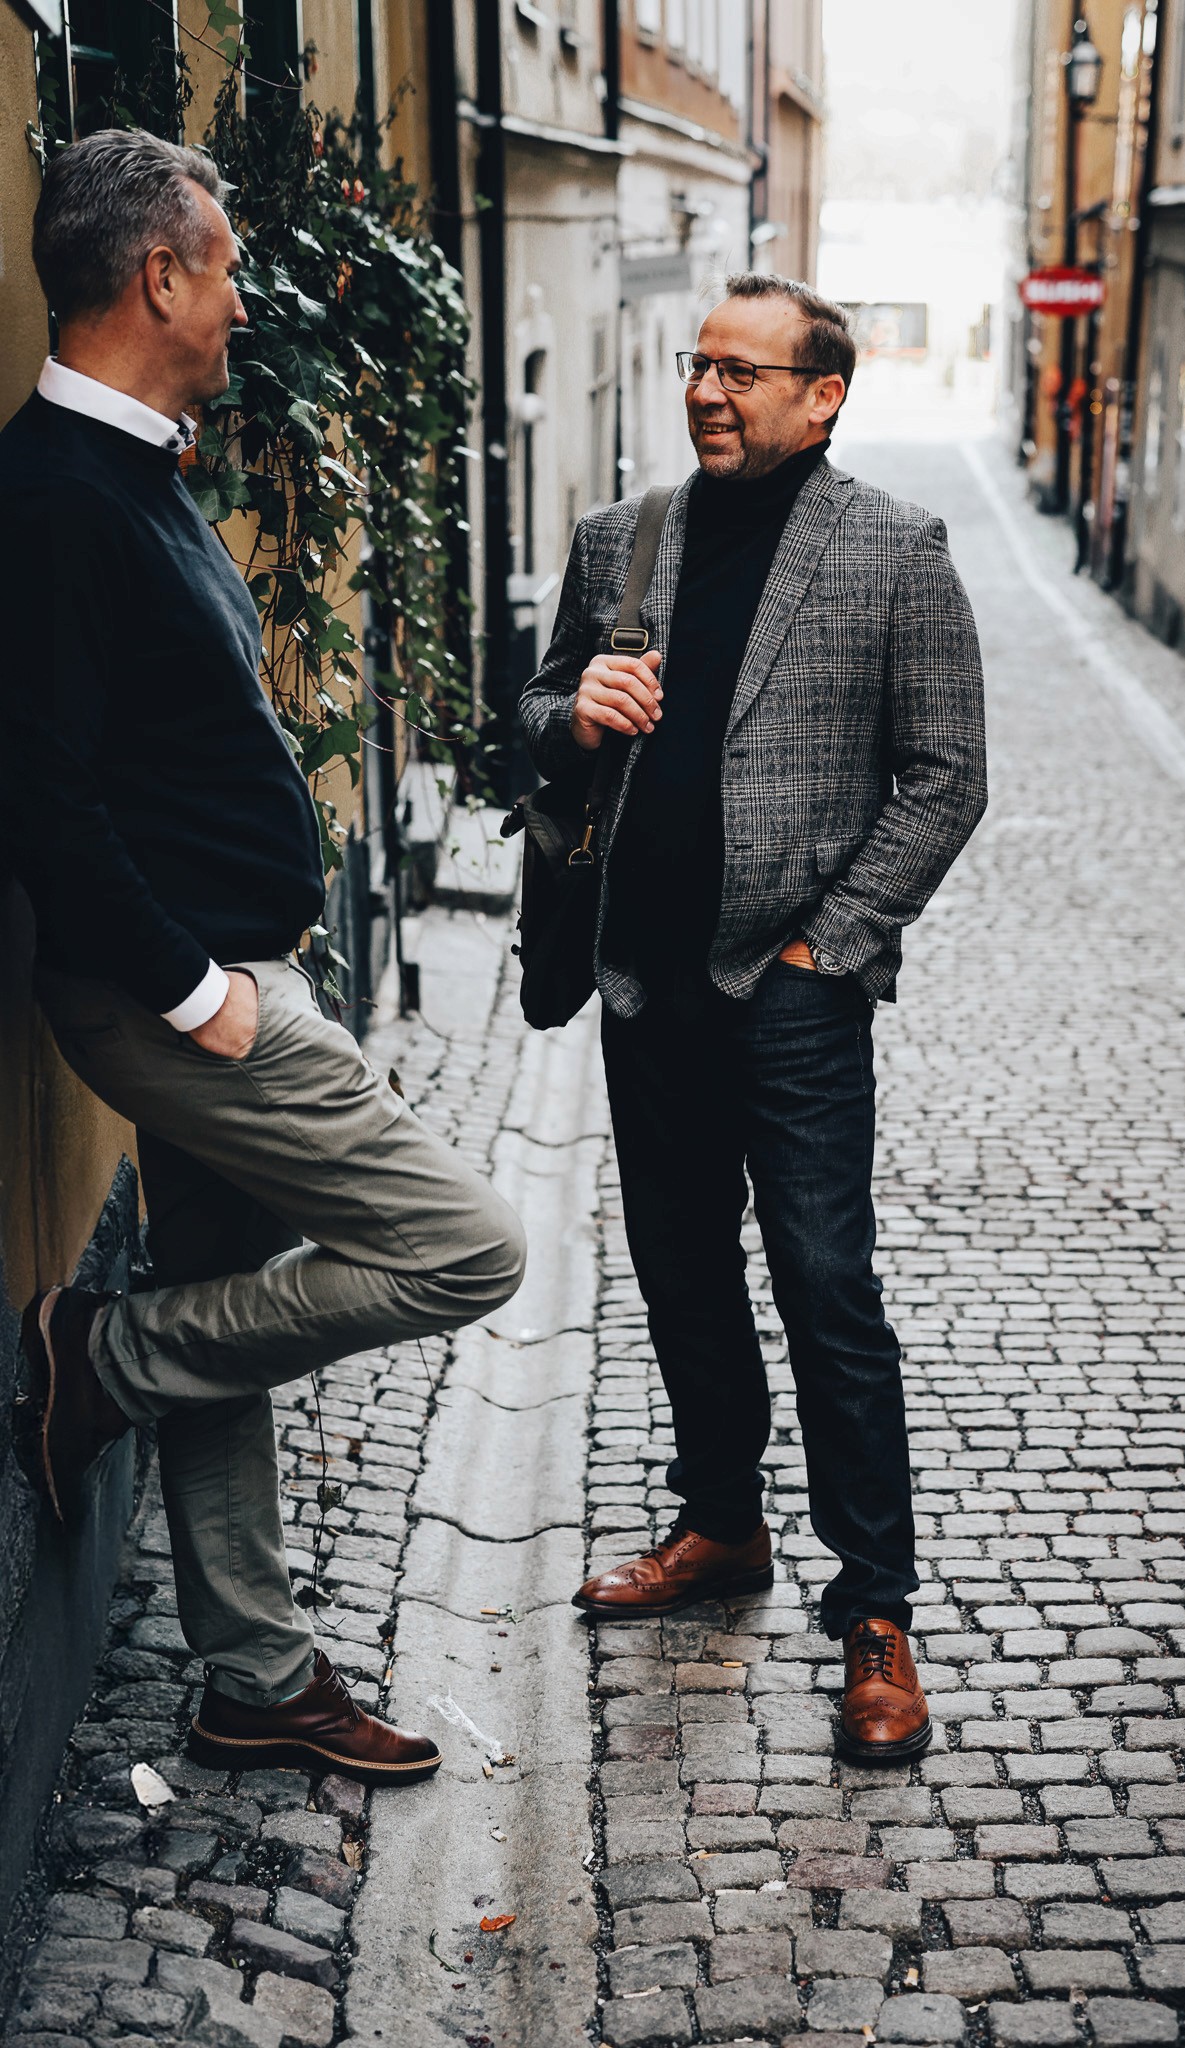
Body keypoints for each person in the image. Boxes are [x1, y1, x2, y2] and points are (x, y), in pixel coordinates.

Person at [0, 128, 526, 1785]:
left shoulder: (135, 470)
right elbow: (42, 792)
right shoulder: (54, 500)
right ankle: (100, 1361)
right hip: (184, 1000)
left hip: (219, 978)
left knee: (217, 1288)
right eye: (224, 265)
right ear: (157, 274)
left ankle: (252, 1674)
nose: (242, 297)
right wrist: (195, 995)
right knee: (470, 1248)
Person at [520, 274, 987, 1761]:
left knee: (824, 1289)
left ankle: (876, 1611)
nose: (707, 390)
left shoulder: (893, 549)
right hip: (643, 986)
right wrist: (570, 710)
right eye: (696, 363)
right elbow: (524, 726)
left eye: (741, 369)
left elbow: (945, 774)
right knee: (677, 1273)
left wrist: (827, 947)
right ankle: (721, 1525)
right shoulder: (621, 542)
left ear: (821, 396)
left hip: (788, 997)